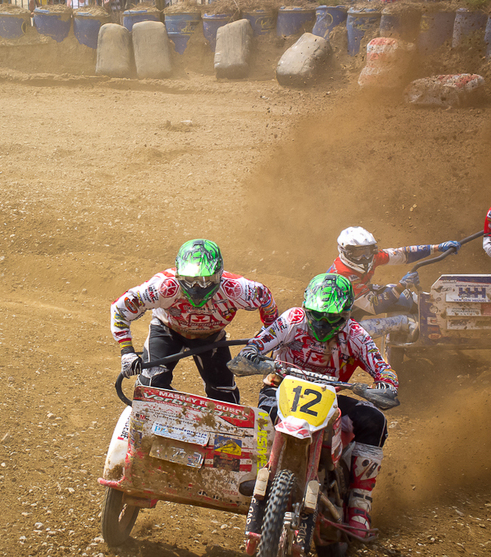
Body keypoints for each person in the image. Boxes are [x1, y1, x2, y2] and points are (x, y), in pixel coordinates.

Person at [235, 273, 398, 538]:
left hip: (328, 397)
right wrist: (254, 357)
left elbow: (383, 370)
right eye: (317, 314)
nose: (322, 323)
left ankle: (359, 503)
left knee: (375, 420)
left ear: (345, 315)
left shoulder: (355, 334)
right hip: (280, 388)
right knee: (265, 418)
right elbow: (256, 344)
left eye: (331, 317)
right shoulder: (292, 319)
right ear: (306, 306)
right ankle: (259, 471)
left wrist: (384, 386)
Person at [112, 239, 278, 405]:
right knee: (150, 385)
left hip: (211, 337)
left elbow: (265, 299)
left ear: (220, 273)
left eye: (206, 280)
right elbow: (120, 309)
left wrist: (262, 339)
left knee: (225, 397)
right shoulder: (163, 286)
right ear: (178, 273)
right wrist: (126, 352)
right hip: (168, 330)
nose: (197, 288)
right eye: (189, 280)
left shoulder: (237, 289)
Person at [327, 226, 461, 339]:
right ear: (346, 252)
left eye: (367, 251)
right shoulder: (342, 275)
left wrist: (436, 248)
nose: (364, 257)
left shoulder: (372, 257)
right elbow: (374, 306)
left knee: (407, 297)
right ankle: (405, 323)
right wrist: (401, 285)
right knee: (396, 319)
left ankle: (438, 323)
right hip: (331, 332)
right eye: (358, 253)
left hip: (350, 308)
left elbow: (402, 254)